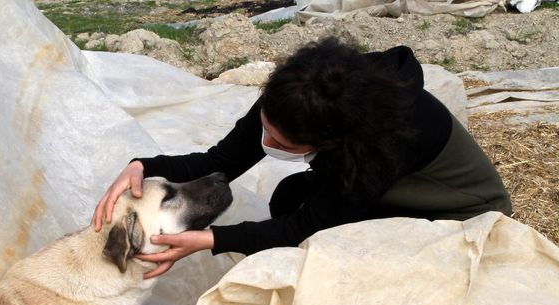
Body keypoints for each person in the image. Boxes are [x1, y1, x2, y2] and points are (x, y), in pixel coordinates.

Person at [92, 37, 511, 279]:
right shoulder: (300, 93)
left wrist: (214, 239)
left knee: (335, 251)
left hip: (456, 214)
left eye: (280, 140)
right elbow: (219, 159)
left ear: (328, 140)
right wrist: (145, 165)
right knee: (290, 194)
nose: (265, 139)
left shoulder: (386, 139)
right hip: (385, 187)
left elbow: (305, 227)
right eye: (265, 124)